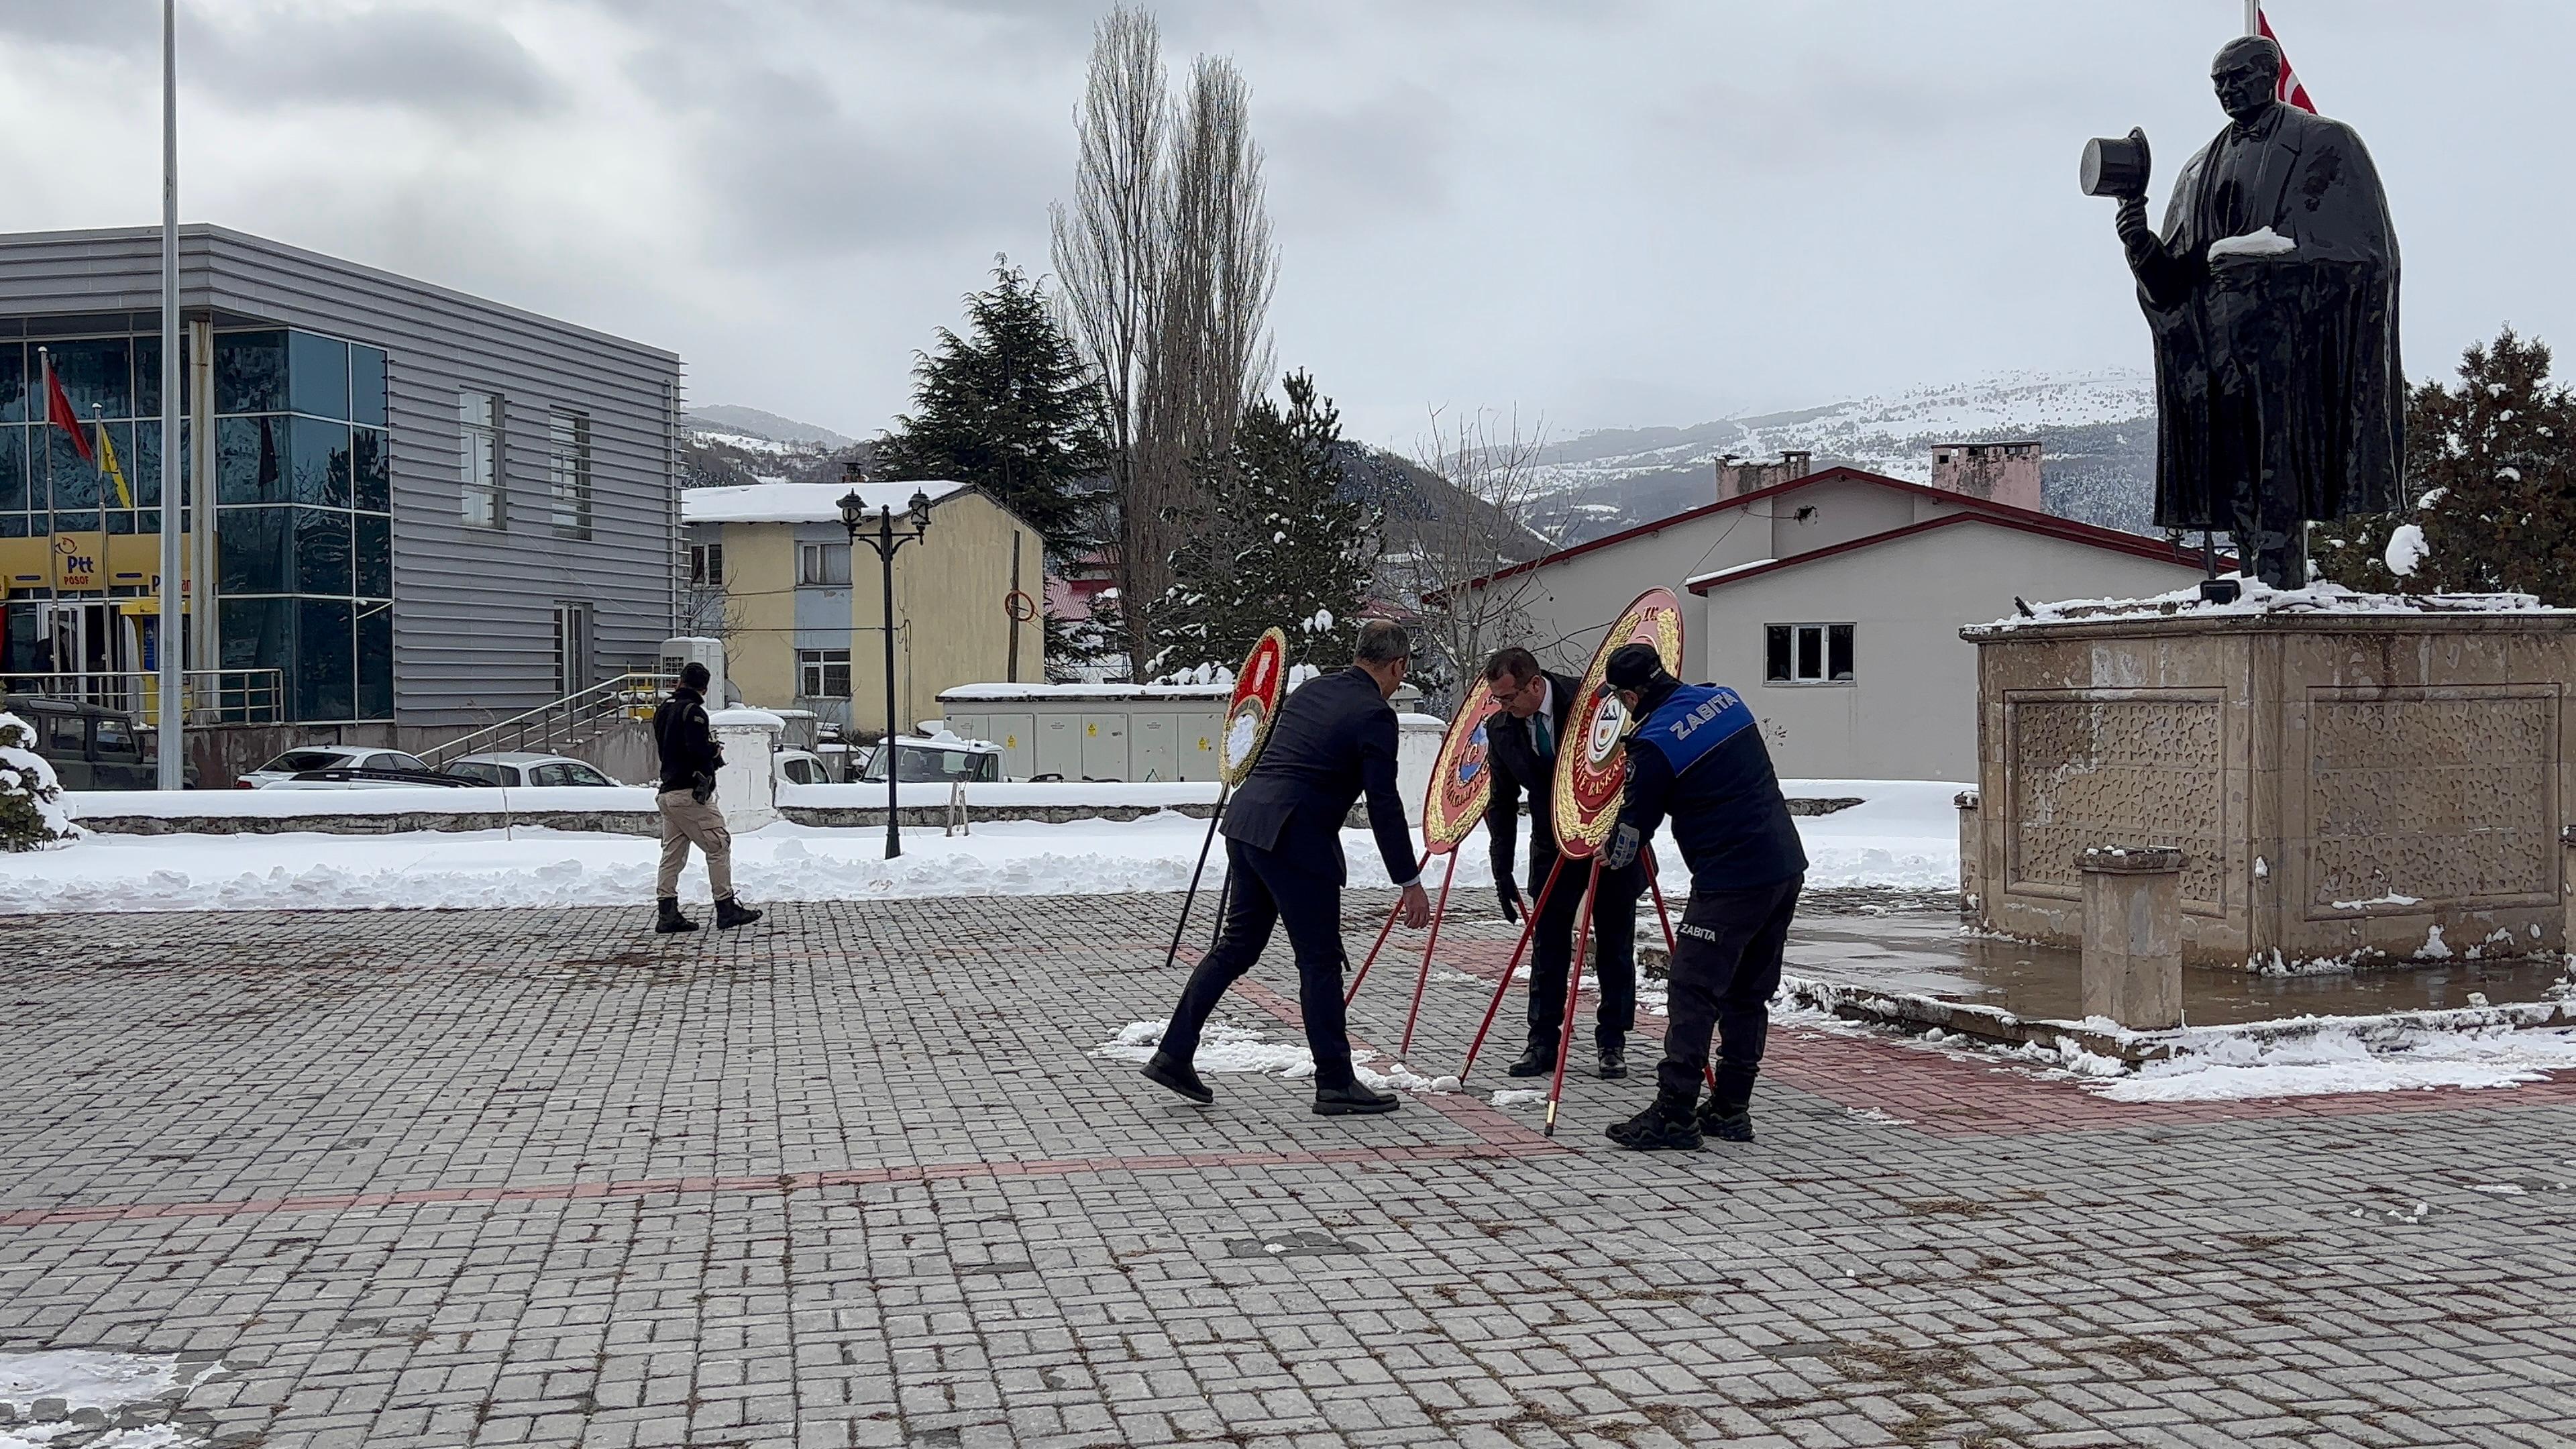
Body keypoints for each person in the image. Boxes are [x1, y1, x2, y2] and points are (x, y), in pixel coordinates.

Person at [2112, 34, 2401, 588]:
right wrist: (2140, 244)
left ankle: (2278, 586)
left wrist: (2274, 264)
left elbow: (2368, 254)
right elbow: (2175, 282)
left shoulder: (2325, 143)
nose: (2227, 90)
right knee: (2235, 481)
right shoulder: (2200, 168)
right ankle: (2254, 585)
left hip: (2294, 352)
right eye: (2218, 82)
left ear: (2270, 75)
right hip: (2216, 352)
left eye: (2238, 77)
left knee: (2280, 481)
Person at [1144, 620, 1432, 1116]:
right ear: (1398, 666)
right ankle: (1336, 1081)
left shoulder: (1313, 689)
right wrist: (1409, 880)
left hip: (1248, 822)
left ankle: (1174, 1053)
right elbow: (1384, 804)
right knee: (1319, 962)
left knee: (1236, 947)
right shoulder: (1375, 715)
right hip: (1296, 841)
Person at [1595, 644, 1805, 1152]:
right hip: (1783, 865)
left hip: (1729, 880)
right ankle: (1732, 1109)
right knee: (1747, 992)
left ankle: (1674, 1112)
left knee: (1693, 990)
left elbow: (1631, 836)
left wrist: (1605, 852)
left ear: (1629, 695)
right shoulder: (1724, 700)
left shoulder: (1654, 743)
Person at [1479, 646, 1646, 1081]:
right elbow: (1500, 803)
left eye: (1509, 697)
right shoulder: (1501, 730)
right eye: (1497, 699)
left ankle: (1612, 1042)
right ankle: (1542, 1043)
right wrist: (1502, 871)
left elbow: (1634, 763)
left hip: (1608, 841)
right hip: (1550, 848)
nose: (1503, 707)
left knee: (1614, 946)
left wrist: (1627, 830)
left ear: (1535, 684)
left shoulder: (1594, 702)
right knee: (1549, 947)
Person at [651, 661, 761, 934]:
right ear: (704, 687)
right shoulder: (695, 713)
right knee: (719, 844)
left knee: (673, 853)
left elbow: (669, 748)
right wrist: (713, 752)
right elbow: (697, 750)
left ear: (680, 682)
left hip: (668, 793)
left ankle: (667, 912)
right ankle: (726, 907)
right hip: (690, 794)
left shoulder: (663, 711)